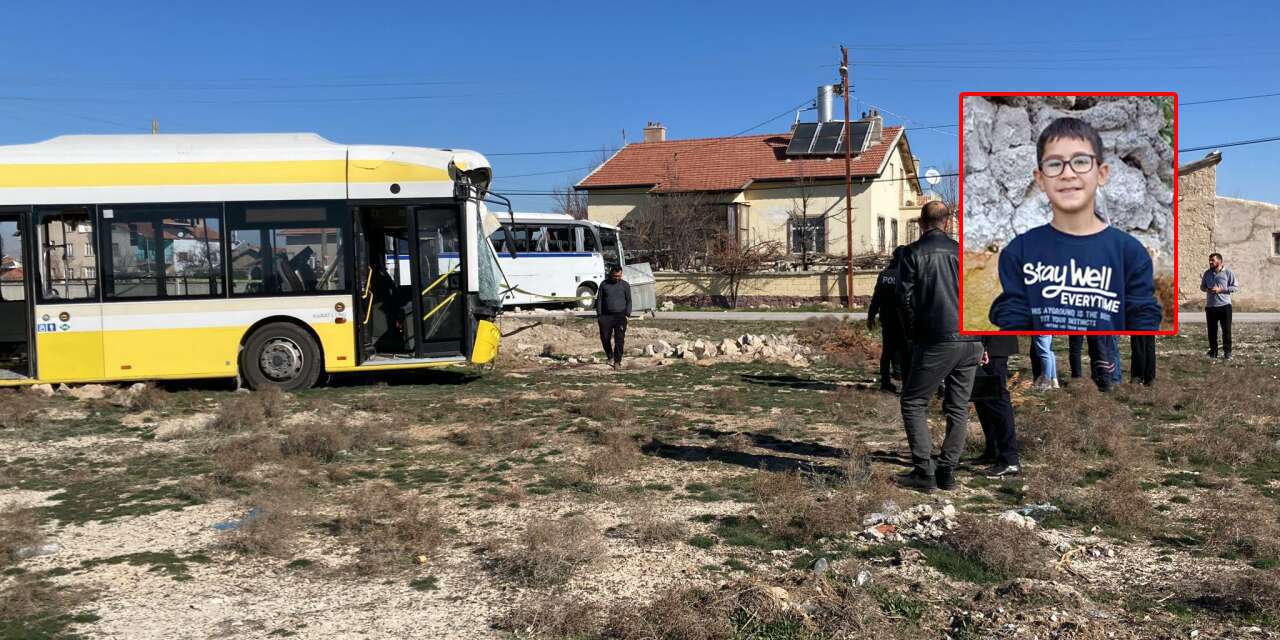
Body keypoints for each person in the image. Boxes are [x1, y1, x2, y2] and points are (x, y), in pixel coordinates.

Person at [989, 117, 1163, 332]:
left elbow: (1143, 322)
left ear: (1101, 174)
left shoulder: (1130, 254)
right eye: (1054, 164)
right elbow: (1014, 321)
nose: (1068, 174)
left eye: (1080, 161)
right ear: (1040, 179)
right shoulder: (1019, 252)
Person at [893, 201, 984, 493]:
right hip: (970, 340)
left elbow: (903, 299)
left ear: (921, 222)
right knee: (958, 407)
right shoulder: (964, 252)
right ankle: (947, 471)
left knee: (913, 402)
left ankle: (924, 471)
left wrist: (913, 334)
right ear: (947, 222)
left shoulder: (912, 253)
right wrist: (982, 341)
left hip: (937, 338)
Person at [970, 335, 1021, 477]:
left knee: (997, 400)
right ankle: (993, 450)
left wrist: (984, 346)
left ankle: (1009, 459)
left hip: (993, 345)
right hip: (986, 344)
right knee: (982, 398)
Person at [867, 246, 907, 393]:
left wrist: (871, 316)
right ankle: (905, 382)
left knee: (888, 350)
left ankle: (885, 382)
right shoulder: (906, 275)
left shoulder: (884, 274)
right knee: (905, 350)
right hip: (903, 320)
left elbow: (876, 297)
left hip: (887, 318)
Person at [1201, 253, 1239, 359]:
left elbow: (1235, 287)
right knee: (1212, 332)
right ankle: (1213, 352)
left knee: (1226, 331)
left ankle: (1227, 353)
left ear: (1220, 261)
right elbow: (1202, 287)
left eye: (1212, 260)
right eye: (1209, 260)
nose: (1210, 262)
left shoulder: (1228, 272)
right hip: (1210, 307)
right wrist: (1207, 289)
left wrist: (1221, 290)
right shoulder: (1207, 273)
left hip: (1225, 306)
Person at [595, 265, 631, 368]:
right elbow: (599, 300)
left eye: (619, 276)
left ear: (621, 274)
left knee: (619, 340)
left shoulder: (625, 285)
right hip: (606, 316)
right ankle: (610, 356)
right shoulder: (604, 284)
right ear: (611, 274)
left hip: (620, 316)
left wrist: (627, 314)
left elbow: (629, 300)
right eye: (615, 276)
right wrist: (599, 315)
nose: (617, 278)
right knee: (605, 338)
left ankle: (617, 361)